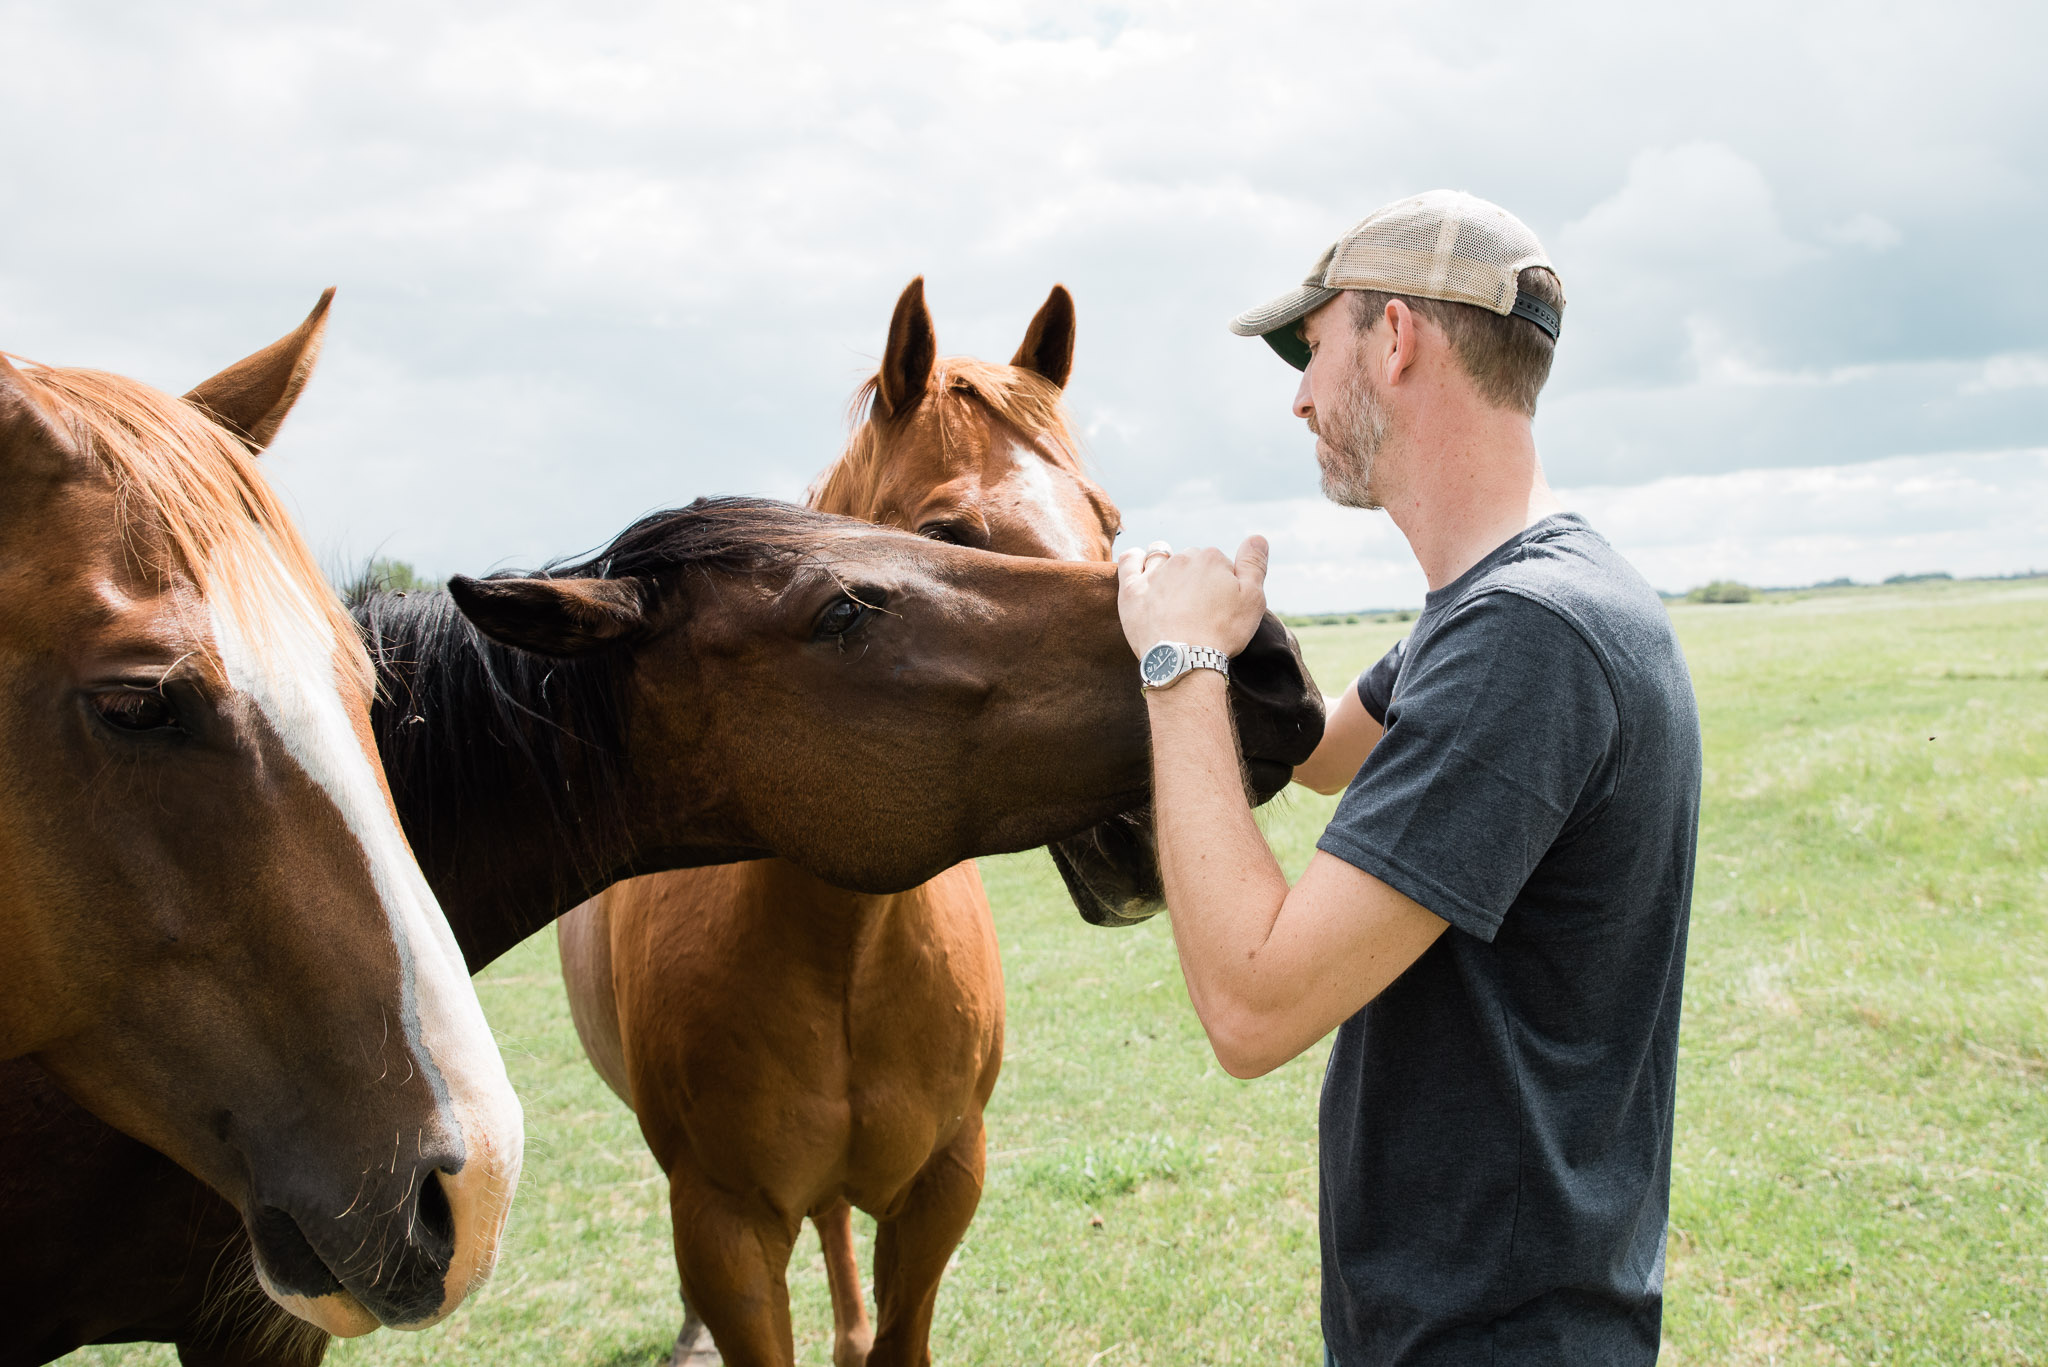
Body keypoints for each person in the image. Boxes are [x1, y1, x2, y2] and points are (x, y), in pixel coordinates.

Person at [1115, 191, 1702, 1365]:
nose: (1296, 393)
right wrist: (1231, 633)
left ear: (1393, 339)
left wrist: (1175, 666)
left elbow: (1252, 1003)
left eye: (1312, 346)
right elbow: (1331, 749)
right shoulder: (1511, 601)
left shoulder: (1525, 638)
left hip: (1494, 1332)